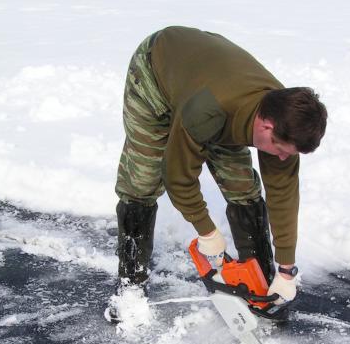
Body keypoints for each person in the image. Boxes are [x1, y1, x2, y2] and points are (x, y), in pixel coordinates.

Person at [113, 25, 327, 308]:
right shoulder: (208, 111)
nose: (283, 158)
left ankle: (259, 288)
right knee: (142, 180)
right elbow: (178, 175)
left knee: (242, 186)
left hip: (211, 83)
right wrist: (207, 232)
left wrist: (287, 269)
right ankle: (131, 287)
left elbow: (283, 196)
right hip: (156, 74)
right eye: (280, 150)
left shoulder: (287, 121)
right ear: (266, 126)